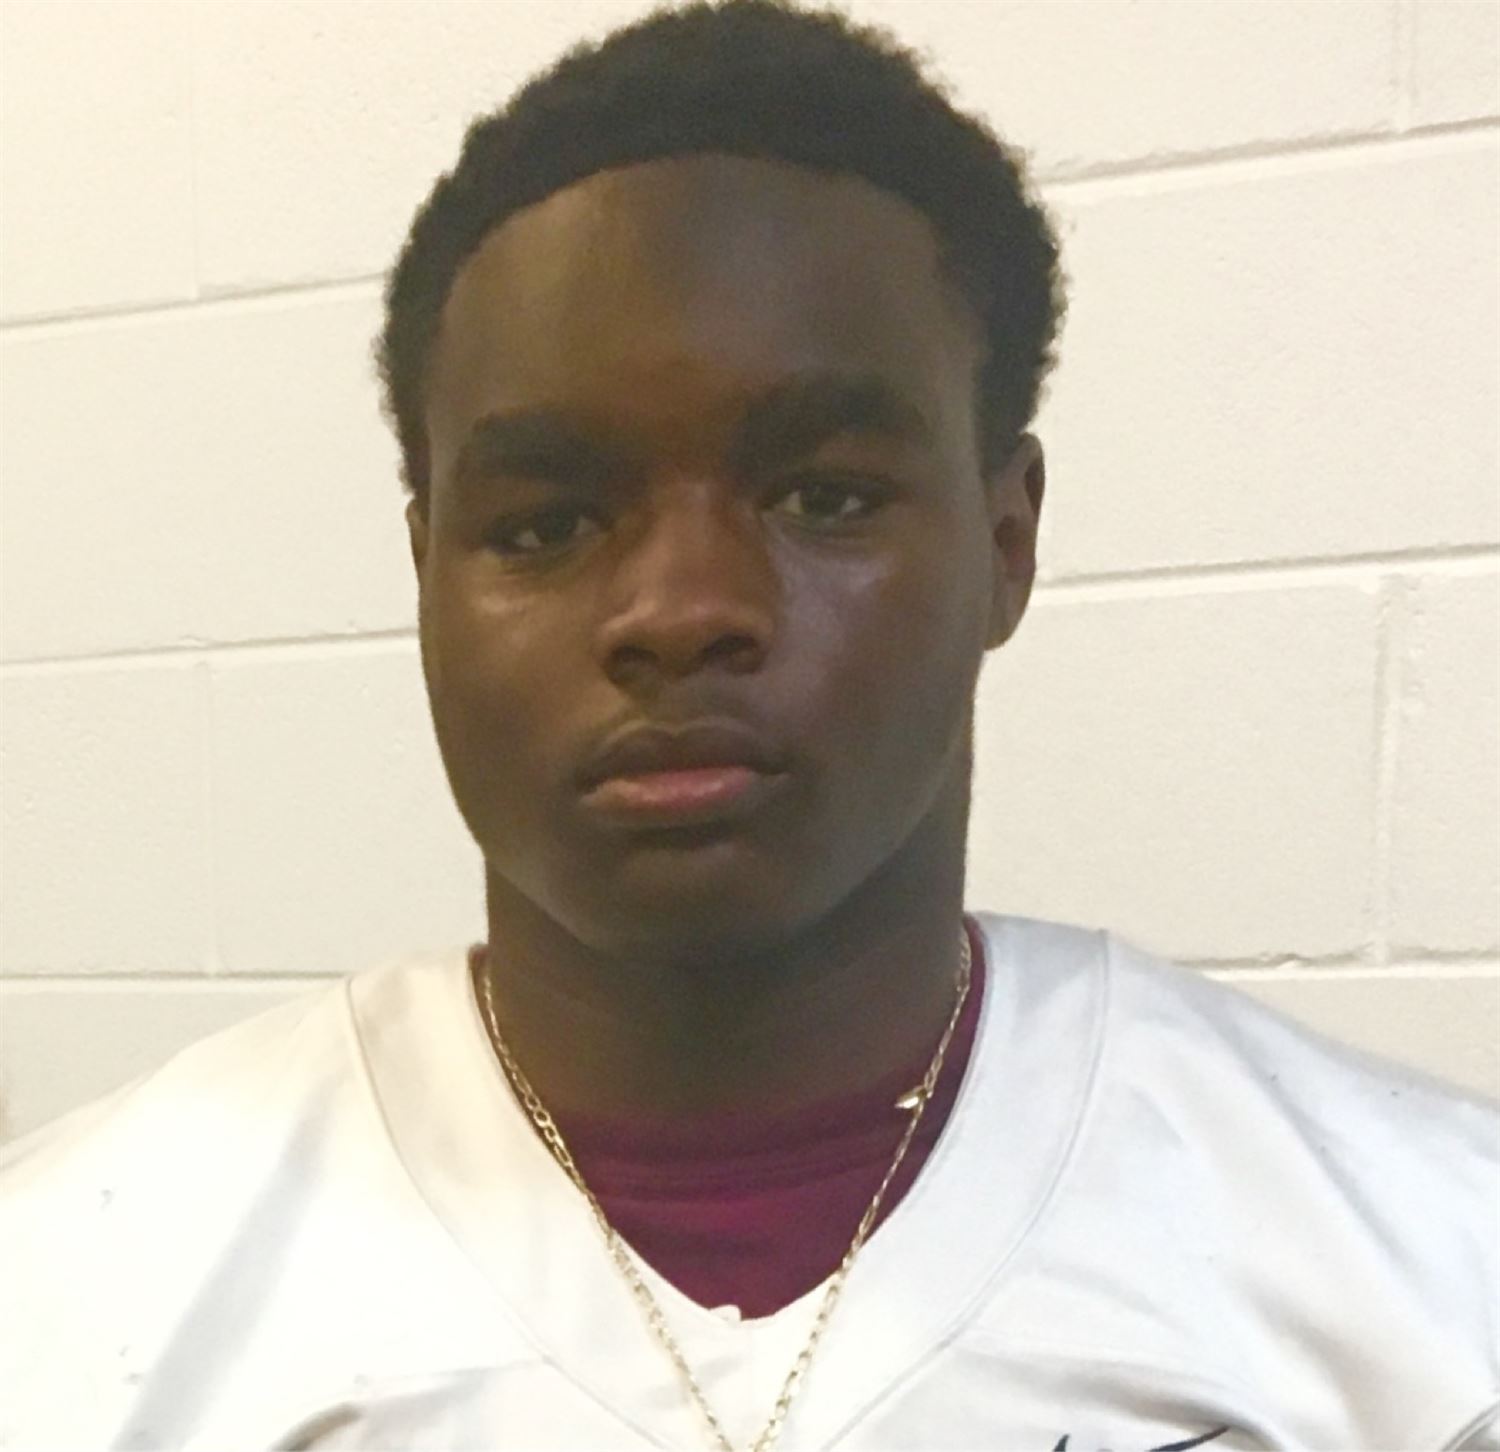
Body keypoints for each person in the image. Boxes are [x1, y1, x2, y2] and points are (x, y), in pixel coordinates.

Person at [2, 1, 1495, 1448]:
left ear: (1006, 542)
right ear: (426, 572)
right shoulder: (70, 1294)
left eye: (823, 496)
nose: (680, 609)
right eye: (546, 523)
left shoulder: (1427, 1289)